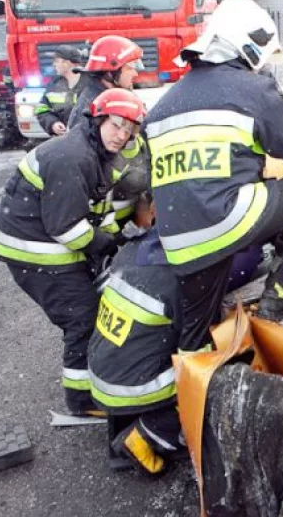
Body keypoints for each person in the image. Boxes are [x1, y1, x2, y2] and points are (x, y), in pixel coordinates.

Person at [145, 0, 283, 339]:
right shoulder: (249, 88)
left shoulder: (163, 105)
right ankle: (280, 295)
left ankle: (195, 373)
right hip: (226, 219)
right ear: (249, 44)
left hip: (179, 241)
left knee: (196, 333)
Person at [0, 88, 148, 415]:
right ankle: (83, 402)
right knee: (83, 318)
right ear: (98, 118)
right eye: (116, 125)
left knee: (85, 313)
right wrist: (109, 244)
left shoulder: (96, 152)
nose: (122, 136)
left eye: (130, 130)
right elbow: (65, 227)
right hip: (37, 253)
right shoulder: (73, 157)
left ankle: (89, 388)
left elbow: (94, 211)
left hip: (46, 247)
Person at [88, 193, 195, 476]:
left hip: (99, 371)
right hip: (128, 387)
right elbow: (193, 341)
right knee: (209, 372)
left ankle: (142, 416)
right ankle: (149, 434)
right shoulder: (179, 275)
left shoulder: (130, 250)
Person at [67, 35, 144, 130]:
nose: (135, 73)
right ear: (110, 72)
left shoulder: (114, 96)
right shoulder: (92, 108)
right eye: (130, 68)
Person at [35, 45, 85, 136]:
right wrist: (53, 124)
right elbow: (42, 110)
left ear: (67, 63)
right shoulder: (54, 85)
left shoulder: (90, 83)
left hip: (88, 141)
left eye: (57, 61)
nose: (54, 64)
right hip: (65, 141)